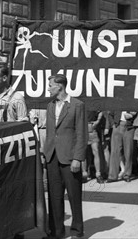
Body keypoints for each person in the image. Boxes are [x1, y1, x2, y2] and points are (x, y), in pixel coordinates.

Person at [44, 74, 87, 238]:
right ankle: (56, 231)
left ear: (60, 86)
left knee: (74, 195)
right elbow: (50, 133)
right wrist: (45, 152)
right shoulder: (50, 105)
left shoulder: (77, 105)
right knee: (54, 196)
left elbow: (81, 133)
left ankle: (77, 230)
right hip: (52, 157)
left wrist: (78, 158)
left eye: (50, 85)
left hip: (70, 157)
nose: (48, 88)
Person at [107, 109, 138, 182]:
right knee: (115, 151)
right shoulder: (117, 102)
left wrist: (132, 117)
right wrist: (113, 125)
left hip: (129, 127)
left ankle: (127, 174)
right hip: (117, 125)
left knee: (128, 152)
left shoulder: (133, 101)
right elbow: (110, 114)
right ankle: (112, 176)